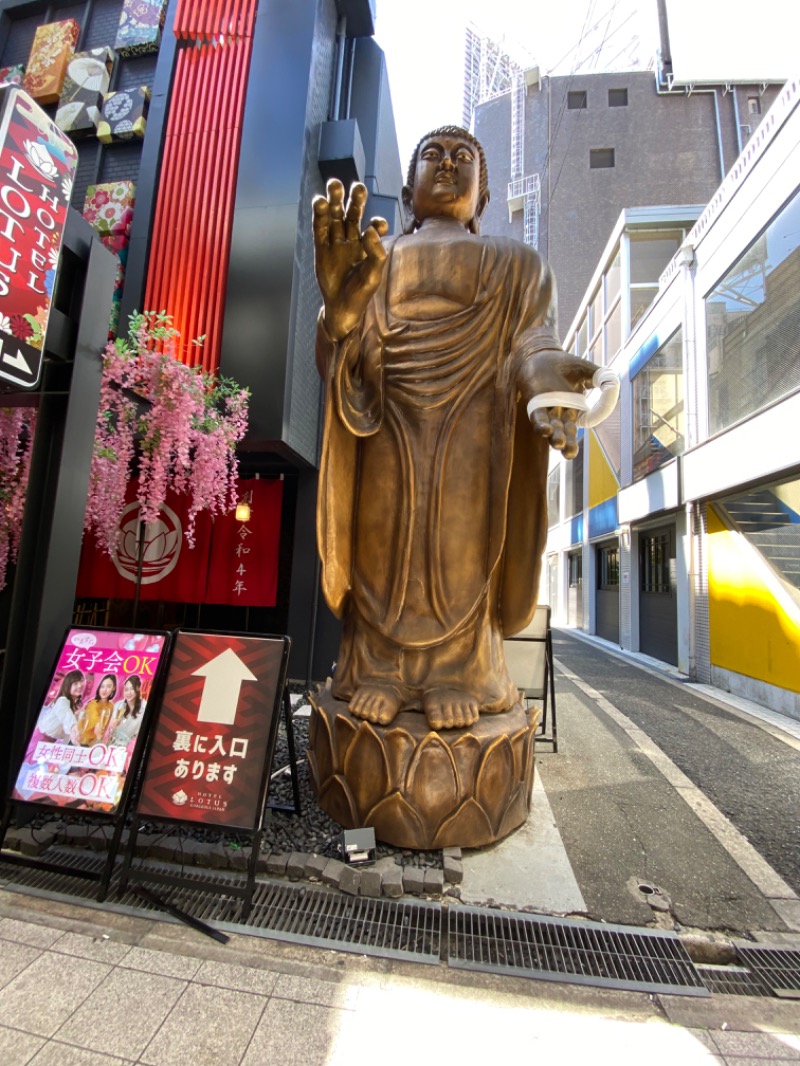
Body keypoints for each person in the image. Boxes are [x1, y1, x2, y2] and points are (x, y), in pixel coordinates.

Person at [313, 125, 604, 732]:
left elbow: (533, 343)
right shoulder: (376, 258)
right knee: (381, 545)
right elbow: (337, 358)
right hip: (386, 430)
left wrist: (550, 380)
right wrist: (339, 310)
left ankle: (461, 674)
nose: (446, 166)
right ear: (407, 187)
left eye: (462, 158)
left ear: (485, 196)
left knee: (465, 546)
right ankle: (378, 671)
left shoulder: (517, 264)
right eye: (432, 156)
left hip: (476, 434)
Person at [34, 670, 86, 744]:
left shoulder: (75, 705)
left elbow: (67, 731)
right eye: (75, 683)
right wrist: (74, 727)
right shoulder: (62, 701)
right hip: (40, 739)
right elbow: (67, 716)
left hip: (50, 742)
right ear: (68, 685)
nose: (80, 686)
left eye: (81, 682)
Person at [76, 674, 117, 745]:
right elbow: (97, 722)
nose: (104, 690)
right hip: (82, 741)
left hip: (96, 744)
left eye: (108, 686)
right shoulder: (93, 704)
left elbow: (106, 727)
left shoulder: (111, 706)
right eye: (102, 686)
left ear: (113, 688)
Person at [106, 675, 146, 745]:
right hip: (113, 744)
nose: (128, 693)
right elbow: (110, 729)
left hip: (131, 746)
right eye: (126, 690)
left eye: (132, 689)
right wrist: (111, 725)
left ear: (137, 689)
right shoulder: (118, 705)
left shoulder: (144, 706)